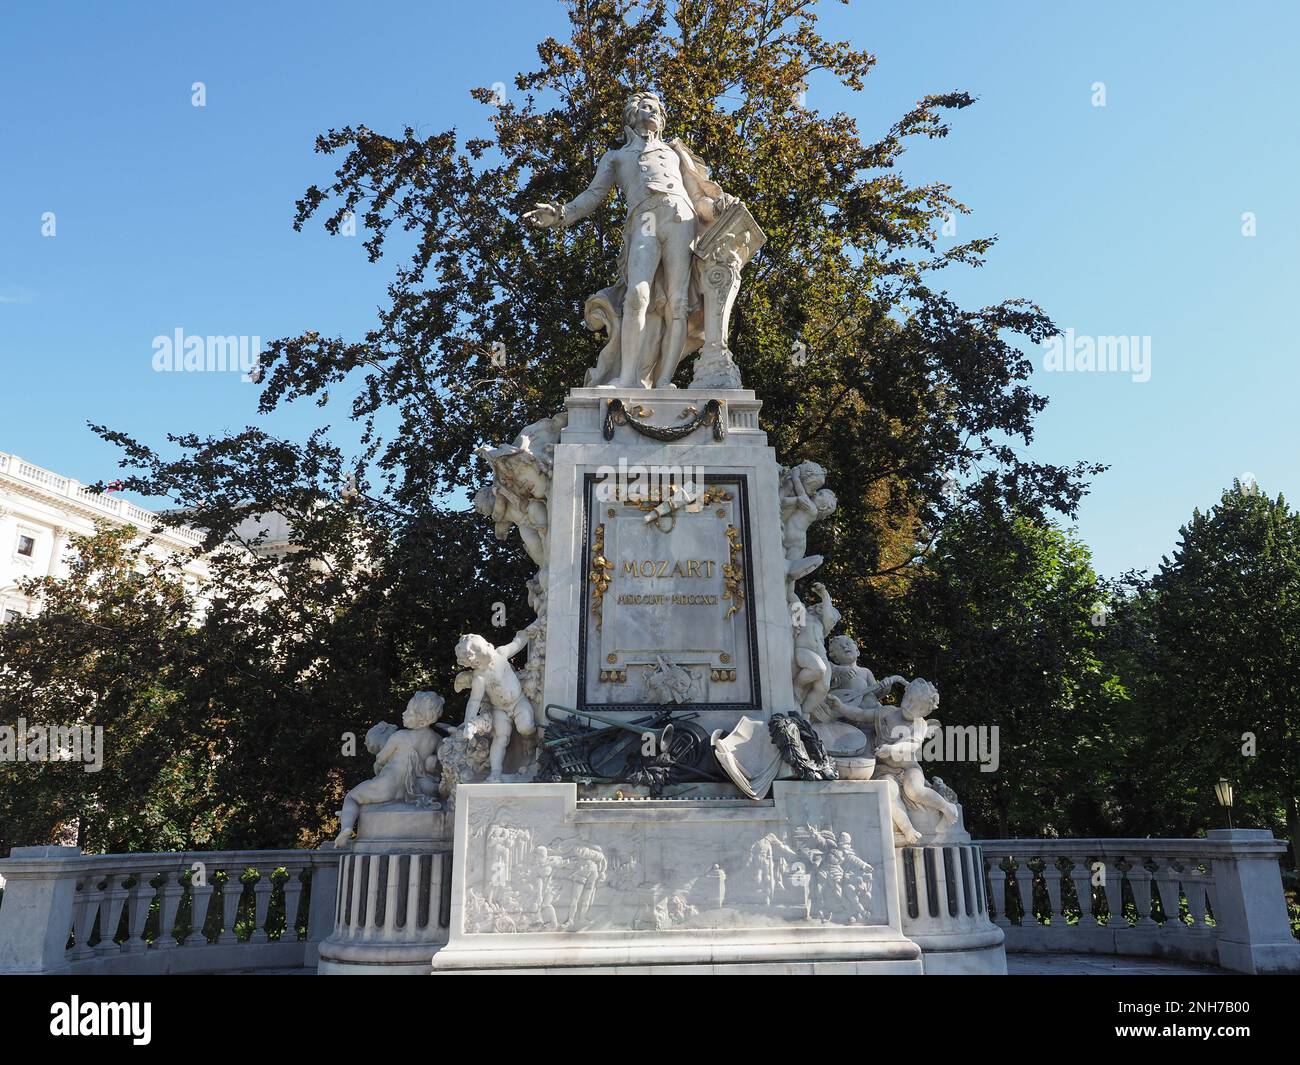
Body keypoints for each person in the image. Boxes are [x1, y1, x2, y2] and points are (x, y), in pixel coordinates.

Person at [455, 630, 539, 781]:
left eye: (477, 660)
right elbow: (474, 701)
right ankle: (495, 772)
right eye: (473, 663)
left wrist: (532, 628)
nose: (476, 664)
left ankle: (529, 741)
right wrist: (469, 722)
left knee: (526, 727)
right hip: (500, 709)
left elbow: (518, 643)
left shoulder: (500, 654)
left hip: (518, 701)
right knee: (500, 738)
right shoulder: (479, 676)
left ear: (485, 649)